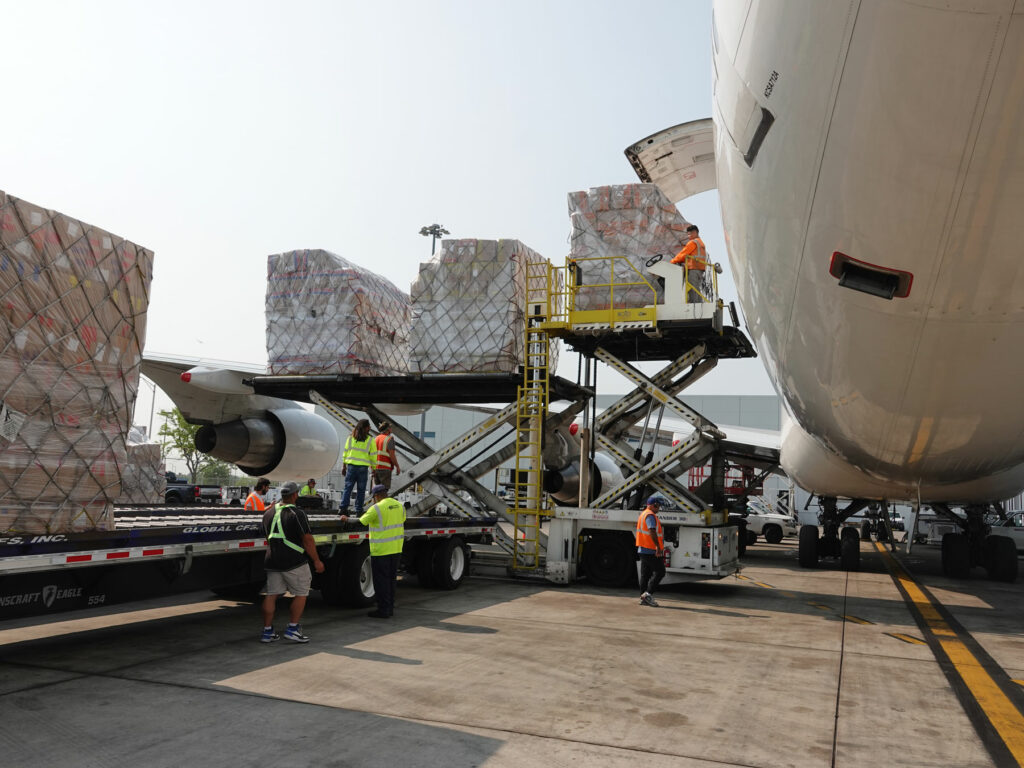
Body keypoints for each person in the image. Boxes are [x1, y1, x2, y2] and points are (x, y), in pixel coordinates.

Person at [259, 481, 325, 643]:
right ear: (295, 495)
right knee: (301, 593)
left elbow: (267, 536)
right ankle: (293, 629)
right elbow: (307, 540)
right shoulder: (297, 513)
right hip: (294, 561)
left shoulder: (268, 513)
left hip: (272, 559)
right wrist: (317, 561)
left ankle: (267, 631)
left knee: (271, 595)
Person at [341, 484, 405, 619]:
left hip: (381, 551)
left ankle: (383, 610)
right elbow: (402, 520)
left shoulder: (376, 508)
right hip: (396, 549)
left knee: (381, 582)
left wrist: (346, 519)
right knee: (391, 581)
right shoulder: (400, 506)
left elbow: (360, 522)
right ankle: (390, 608)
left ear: (376, 496)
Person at [636, 496, 666, 607]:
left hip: (643, 549)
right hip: (650, 550)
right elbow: (651, 530)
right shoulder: (650, 515)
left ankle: (643, 597)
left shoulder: (643, 514)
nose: (659, 508)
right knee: (660, 572)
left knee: (645, 574)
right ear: (653, 505)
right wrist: (657, 546)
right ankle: (647, 595)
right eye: (658, 506)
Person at [340, 419, 375, 514]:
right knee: (361, 490)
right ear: (366, 427)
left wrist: (344, 466)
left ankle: (343, 509)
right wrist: (374, 468)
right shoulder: (370, 440)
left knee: (348, 488)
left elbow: (345, 453)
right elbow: (373, 456)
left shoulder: (350, 438)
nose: (370, 428)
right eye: (369, 426)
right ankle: (358, 510)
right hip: (363, 468)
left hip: (351, 467)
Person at [671, 224, 709, 303]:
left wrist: (672, 261)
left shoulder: (693, 242)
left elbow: (683, 254)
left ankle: (695, 304)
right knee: (696, 287)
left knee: (692, 287)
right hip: (700, 269)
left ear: (694, 232)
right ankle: (699, 303)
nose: (688, 236)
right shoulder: (701, 243)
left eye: (689, 234)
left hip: (693, 268)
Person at [373, 422, 400, 491]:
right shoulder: (389, 439)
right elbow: (392, 455)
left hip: (376, 468)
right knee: (384, 490)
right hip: (385, 469)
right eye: (390, 428)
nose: (391, 429)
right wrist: (397, 466)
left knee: (377, 491)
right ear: (388, 429)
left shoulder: (376, 439)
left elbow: (372, 454)